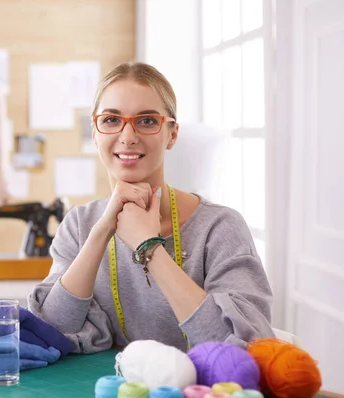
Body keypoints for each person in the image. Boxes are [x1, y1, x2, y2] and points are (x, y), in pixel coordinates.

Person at [27, 62, 274, 354]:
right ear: (95, 133)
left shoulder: (220, 228)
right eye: (110, 120)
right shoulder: (79, 225)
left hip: (200, 397)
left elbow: (240, 349)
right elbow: (54, 331)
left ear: (172, 134)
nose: (128, 136)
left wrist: (149, 247)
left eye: (146, 121)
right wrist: (101, 231)